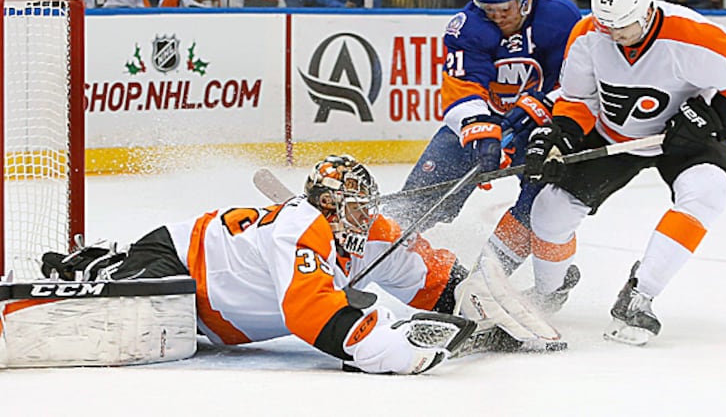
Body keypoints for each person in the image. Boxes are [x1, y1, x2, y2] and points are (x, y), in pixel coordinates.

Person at [39, 155, 503, 375]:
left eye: (369, 208)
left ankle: (109, 260)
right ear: (327, 203)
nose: (366, 219)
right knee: (132, 320)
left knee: (173, 329)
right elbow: (309, 311)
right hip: (176, 260)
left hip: (210, 318)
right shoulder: (302, 230)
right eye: (356, 208)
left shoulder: (368, 233)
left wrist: (473, 300)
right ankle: (98, 266)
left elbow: (426, 279)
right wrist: (385, 348)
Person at [522, 0, 726, 345]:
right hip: (612, 136)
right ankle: (548, 291)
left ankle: (640, 294)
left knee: (709, 190)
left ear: (648, 10)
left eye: (622, 25)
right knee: (549, 209)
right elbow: (577, 99)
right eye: (605, 24)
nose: (612, 34)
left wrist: (712, 121)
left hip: (682, 136)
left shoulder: (694, 35)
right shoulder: (588, 34)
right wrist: (559, 136)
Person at [387, 0, 581, 300]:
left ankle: (496, 284)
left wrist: (538, 107)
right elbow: (462, 87)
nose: (497, 17)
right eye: (489, 10)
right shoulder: (469, 25)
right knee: (419, 197)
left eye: (504, 9)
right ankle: (367, 247)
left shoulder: (561, 17)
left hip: (545, 127)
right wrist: (482, 130)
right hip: (484, 122)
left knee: (540, 204)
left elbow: (577, 81)